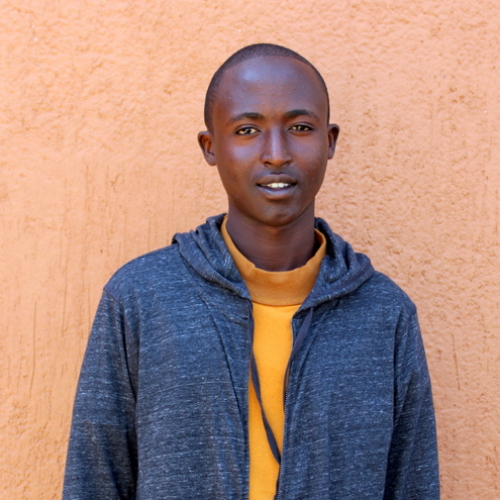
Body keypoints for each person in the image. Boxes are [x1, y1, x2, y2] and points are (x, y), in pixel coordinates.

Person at [63, 43, 439, 500]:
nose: (276, 153)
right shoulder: (141, 299)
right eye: (247, 130)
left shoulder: (385, 315)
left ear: (330, 141)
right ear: (211, 147)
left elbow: (412, 483)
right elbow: (95, 479)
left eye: (300, 127)